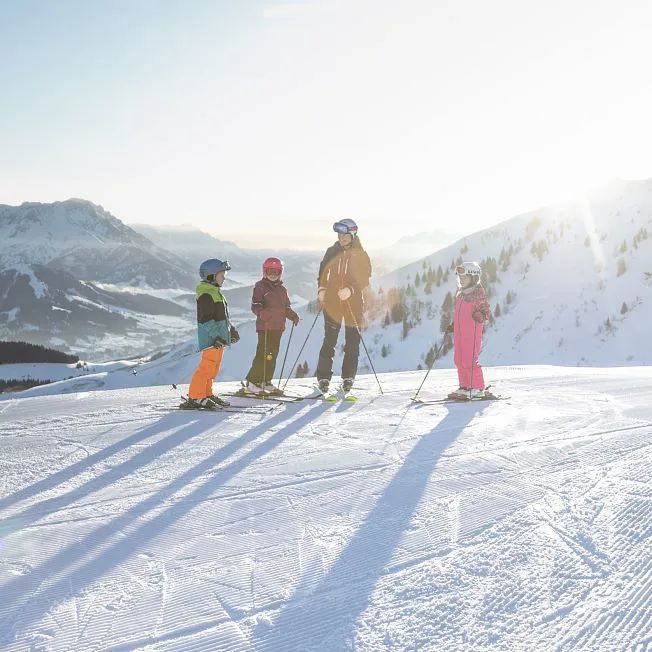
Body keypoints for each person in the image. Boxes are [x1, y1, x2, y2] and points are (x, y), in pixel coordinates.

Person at [315, 218, 372, 395]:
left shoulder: (361, 254)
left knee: (352, 341)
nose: (342, 238)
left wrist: (351, 290)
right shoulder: (332, 251)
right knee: (329, 340)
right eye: (340, 235)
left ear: (352, 235)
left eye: (345, 235)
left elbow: (365, 277)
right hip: (332, 301)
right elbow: (323, 271)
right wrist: (322, 288)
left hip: (353, 303)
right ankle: (323, 377)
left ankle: (348, 377)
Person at [181, 258, 240, 409]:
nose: (224, 277)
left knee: (213, 368)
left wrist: (230, 331)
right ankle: (196, 396)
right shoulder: (206, 295)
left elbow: (222, 318)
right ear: (211, 276)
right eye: (221, 274)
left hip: (218, 340)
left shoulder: (216, 293)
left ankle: (206, 393)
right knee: (206, 368)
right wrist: (217, 336)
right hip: (211, 340)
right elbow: (205, 320)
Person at [244, 257, 300, 395]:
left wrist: (293, 315)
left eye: (276, 271)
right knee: (263, 354)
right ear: (264, 271)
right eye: (270, 271)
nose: (273, 274)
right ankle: (252, 382)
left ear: (280, 272)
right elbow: (255, 305)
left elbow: (286, 307)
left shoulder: (282, 290)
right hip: (265, 327)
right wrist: (261, 313)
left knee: (272, 355)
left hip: (278, 327)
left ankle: (266, 381)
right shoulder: (260, 286)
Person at [446, 261, 491, 399]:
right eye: (460, 277)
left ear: (473, 278)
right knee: (459, 359)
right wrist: (455, 324)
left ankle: (477, 388)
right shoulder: (460, 294)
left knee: (469, 360)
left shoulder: (477, 294)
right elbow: (460, 313)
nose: (462, 280)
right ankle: (465, 387)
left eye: (465, 277)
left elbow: (486, 312)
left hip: (471, 332)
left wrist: (481, 315)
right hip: (460, 332)